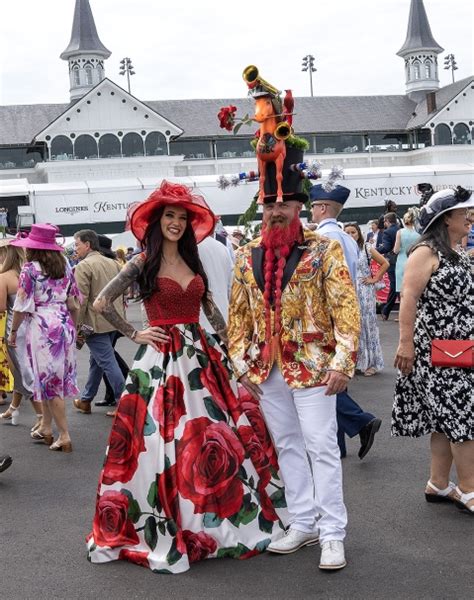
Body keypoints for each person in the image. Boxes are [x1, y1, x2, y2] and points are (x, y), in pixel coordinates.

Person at [87, 181, 286, 573]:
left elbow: (212, 314)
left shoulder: (193, 263)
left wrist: (235, 361)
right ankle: (167, 520)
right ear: (157, 220)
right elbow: (100, 302)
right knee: (161, 439)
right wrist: (134, 333)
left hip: (201, 356)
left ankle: (216, 518)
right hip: (159, 361)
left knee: (213, 433)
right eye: (169, 216)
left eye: (182, 217)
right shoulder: (141, 262)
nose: (176, 223)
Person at [229, 156, 360, 570]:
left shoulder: (324, 249)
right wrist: (241, 366)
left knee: (321, 446)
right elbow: (237, 318)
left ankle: (332, 532)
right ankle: (303, 521)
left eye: (284, 203)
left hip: (315, 366)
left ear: (300, 206)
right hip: (266, 370)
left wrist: (343, 361)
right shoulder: (246, 253)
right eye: (269, 204)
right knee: (286, 445)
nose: (276, 211)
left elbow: (346, 308)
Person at [393, 187, 474, 515]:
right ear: (444, 220)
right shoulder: (425, 251)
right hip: (439, 351)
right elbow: (408, 297)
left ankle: (439, 483)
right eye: (462, 215)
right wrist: (405, 343)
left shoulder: (455, 251)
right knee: (463, 419)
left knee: (445, 421)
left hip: (459, 349)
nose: (468, 219)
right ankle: (469, 489)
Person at [310, 185, 382, 460]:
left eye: (315, 206)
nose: (312, 211)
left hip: (325, 315)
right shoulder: (347, 238)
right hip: (344, 313)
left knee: (321, 380)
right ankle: (339, 442)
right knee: (333, 377)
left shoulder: (322, 238)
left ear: (323, 208)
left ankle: (360, 421)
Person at [9, 224, 80, 452]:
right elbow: (74, 302)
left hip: (41, 326)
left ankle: (65, 435)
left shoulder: (30, 269)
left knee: (50, 382)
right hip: (64, 323)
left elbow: (21, 306)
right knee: (50, 380)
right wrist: (73, 327)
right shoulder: (66, 266)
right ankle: (47, 428)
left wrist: (12, 332)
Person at [73, 230, 126, 414]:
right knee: (98, 361)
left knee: (107, 362)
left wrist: (76, 326)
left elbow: (80, 300)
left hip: (93, 324)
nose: (75, 248)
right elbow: (122, 292)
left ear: (87, 245)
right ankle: (86, 399)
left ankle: (124, 401)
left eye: (77, 244)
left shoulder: (84, 266)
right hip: (113, 321)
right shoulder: (114, 263)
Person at [0, 240, 39, 428]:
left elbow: (1, 307)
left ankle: (42, 417)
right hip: (34, 325)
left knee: (23, 371)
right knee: (22, 369)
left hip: (14, 328)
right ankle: (14, 407)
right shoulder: (29, 274)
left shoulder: (4, 277)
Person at [344, 222, 389, 376]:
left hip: (364, 290)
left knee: (367, 325)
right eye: (347, 233)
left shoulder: (366, 248)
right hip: (349, 290)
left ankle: (371, 363)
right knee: (353, 327)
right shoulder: (341, 249)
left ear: (359, 234)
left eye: (353, 232)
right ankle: (357, 362)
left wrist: (374, 278)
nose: (350, 235)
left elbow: (385, 263)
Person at [376, 212, 400, 321]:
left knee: (395, 286)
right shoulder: (401, 229)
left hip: (392, 261)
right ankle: (387, 310)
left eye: (384, 221)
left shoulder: (387, 232)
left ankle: (386, 310)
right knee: (398, 286)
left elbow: (386, 247)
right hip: (403, 260)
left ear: (387, 221)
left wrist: (374, 251)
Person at [394, 208, 420, 296]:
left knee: (402, 292)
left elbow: (396, 250)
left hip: (401, 261)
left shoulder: (400, 232)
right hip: (414, 262)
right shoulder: (418, 235)